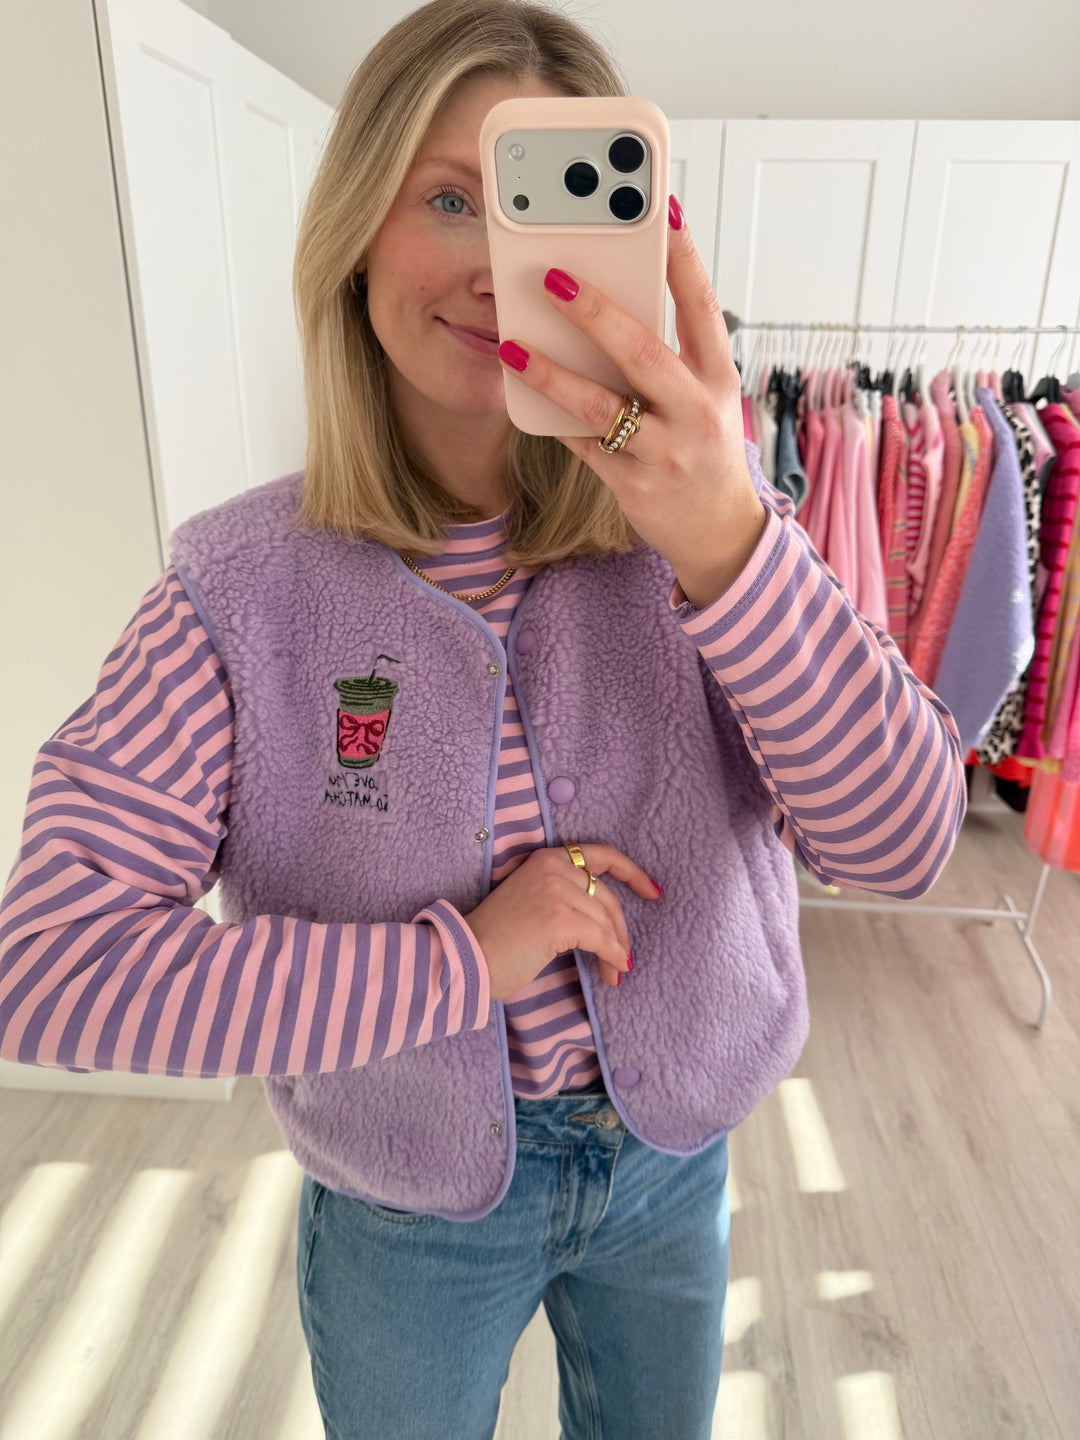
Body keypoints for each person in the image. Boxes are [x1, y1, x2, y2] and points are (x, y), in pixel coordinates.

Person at [0, 1, 967, 1435]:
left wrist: (725, 540)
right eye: (450, 198)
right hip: (403, 1207)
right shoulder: (236, 591)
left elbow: (903, 845)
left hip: (672, 1168)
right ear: (355, 235)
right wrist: (463, 960)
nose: (493, 265)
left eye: (541, 211)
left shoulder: (714, 534)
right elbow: (52, 968)